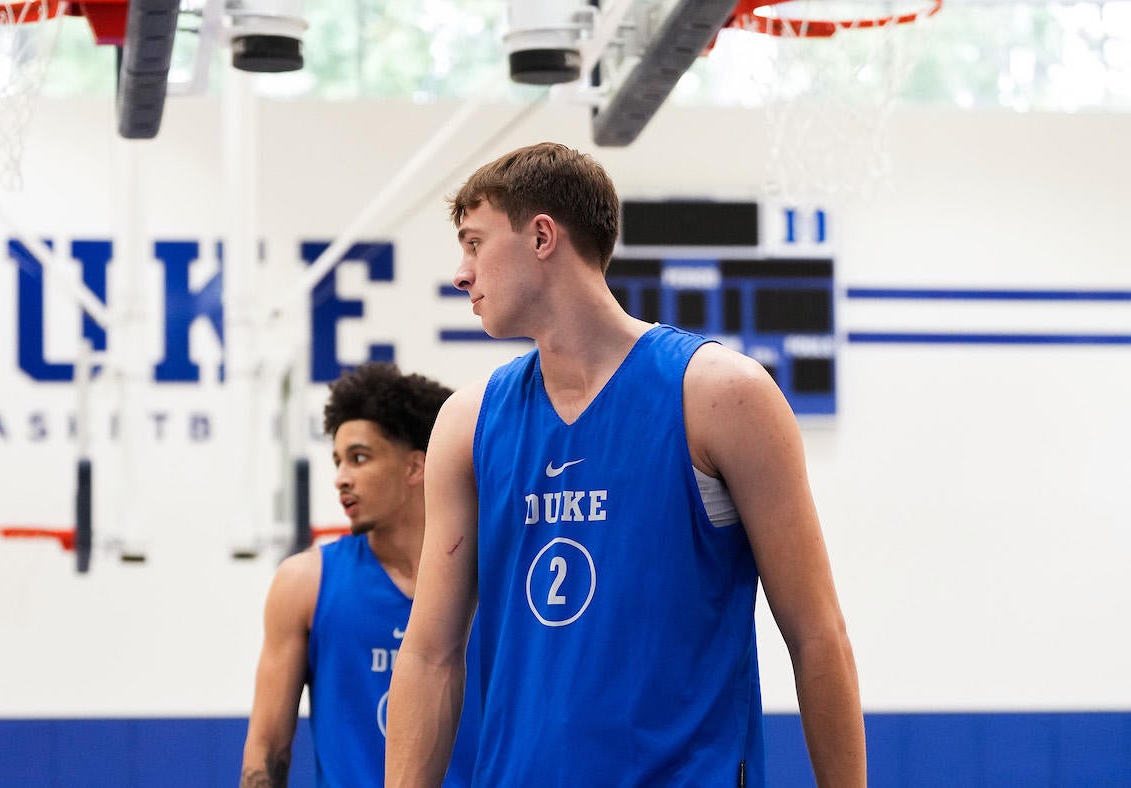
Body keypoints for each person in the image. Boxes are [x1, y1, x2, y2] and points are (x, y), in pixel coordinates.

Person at [385, 142, 864, 786]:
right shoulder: (467, 423)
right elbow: (429, 656)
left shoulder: (720, 394)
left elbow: (817, 634)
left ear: (542, 236)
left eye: (474, 243)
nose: (461, 273)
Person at [242, 362, 480, 787]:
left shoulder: (494, 580)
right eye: (338, 461)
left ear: (415, 467)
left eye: (359, 458)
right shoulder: (304, 583)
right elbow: (267, 750)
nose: (340, 479)